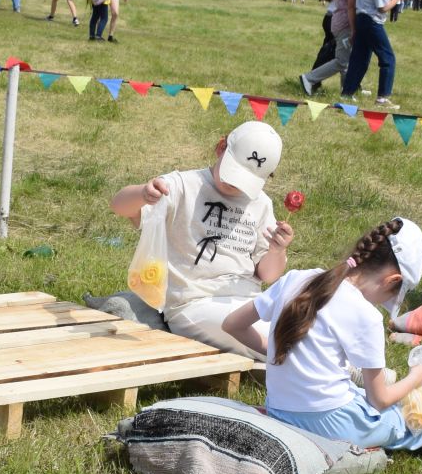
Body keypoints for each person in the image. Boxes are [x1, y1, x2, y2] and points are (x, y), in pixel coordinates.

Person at [223, 219, 422, 448]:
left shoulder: (297, 278)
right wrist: (417, 377)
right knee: (406, 422)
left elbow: (232, 324)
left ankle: (352, 372)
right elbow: (378, 400)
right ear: (392, 280)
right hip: (328, 422)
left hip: (279, 409)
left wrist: (280, 350)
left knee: (369, 398)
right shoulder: (365, 315)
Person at [106, 121, 293, 355]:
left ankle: (335, 365)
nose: (234, 184)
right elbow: (119, 206)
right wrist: (143, 194)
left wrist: (277, 251)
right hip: (194, 303)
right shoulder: (183, 185)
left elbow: (267, 275)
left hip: (248, 299)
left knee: (298, 321)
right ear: (221, 148)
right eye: (232, 173)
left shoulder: (260, 202)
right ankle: (325, 367)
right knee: (268, 334)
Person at [339, 0, 404, 105]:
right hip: (372, 22)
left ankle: (347, 92)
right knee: (388, 58)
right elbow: (383, 7)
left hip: (362, 19)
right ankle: (383, 96)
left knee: (359, 58)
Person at [302, 0, 370, 95]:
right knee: (341, 61)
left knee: (344, 59)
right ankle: (309, 78)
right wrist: (353, 29)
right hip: (343, 24)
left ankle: (347, 90)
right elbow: (351, 7)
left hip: (338, 21)